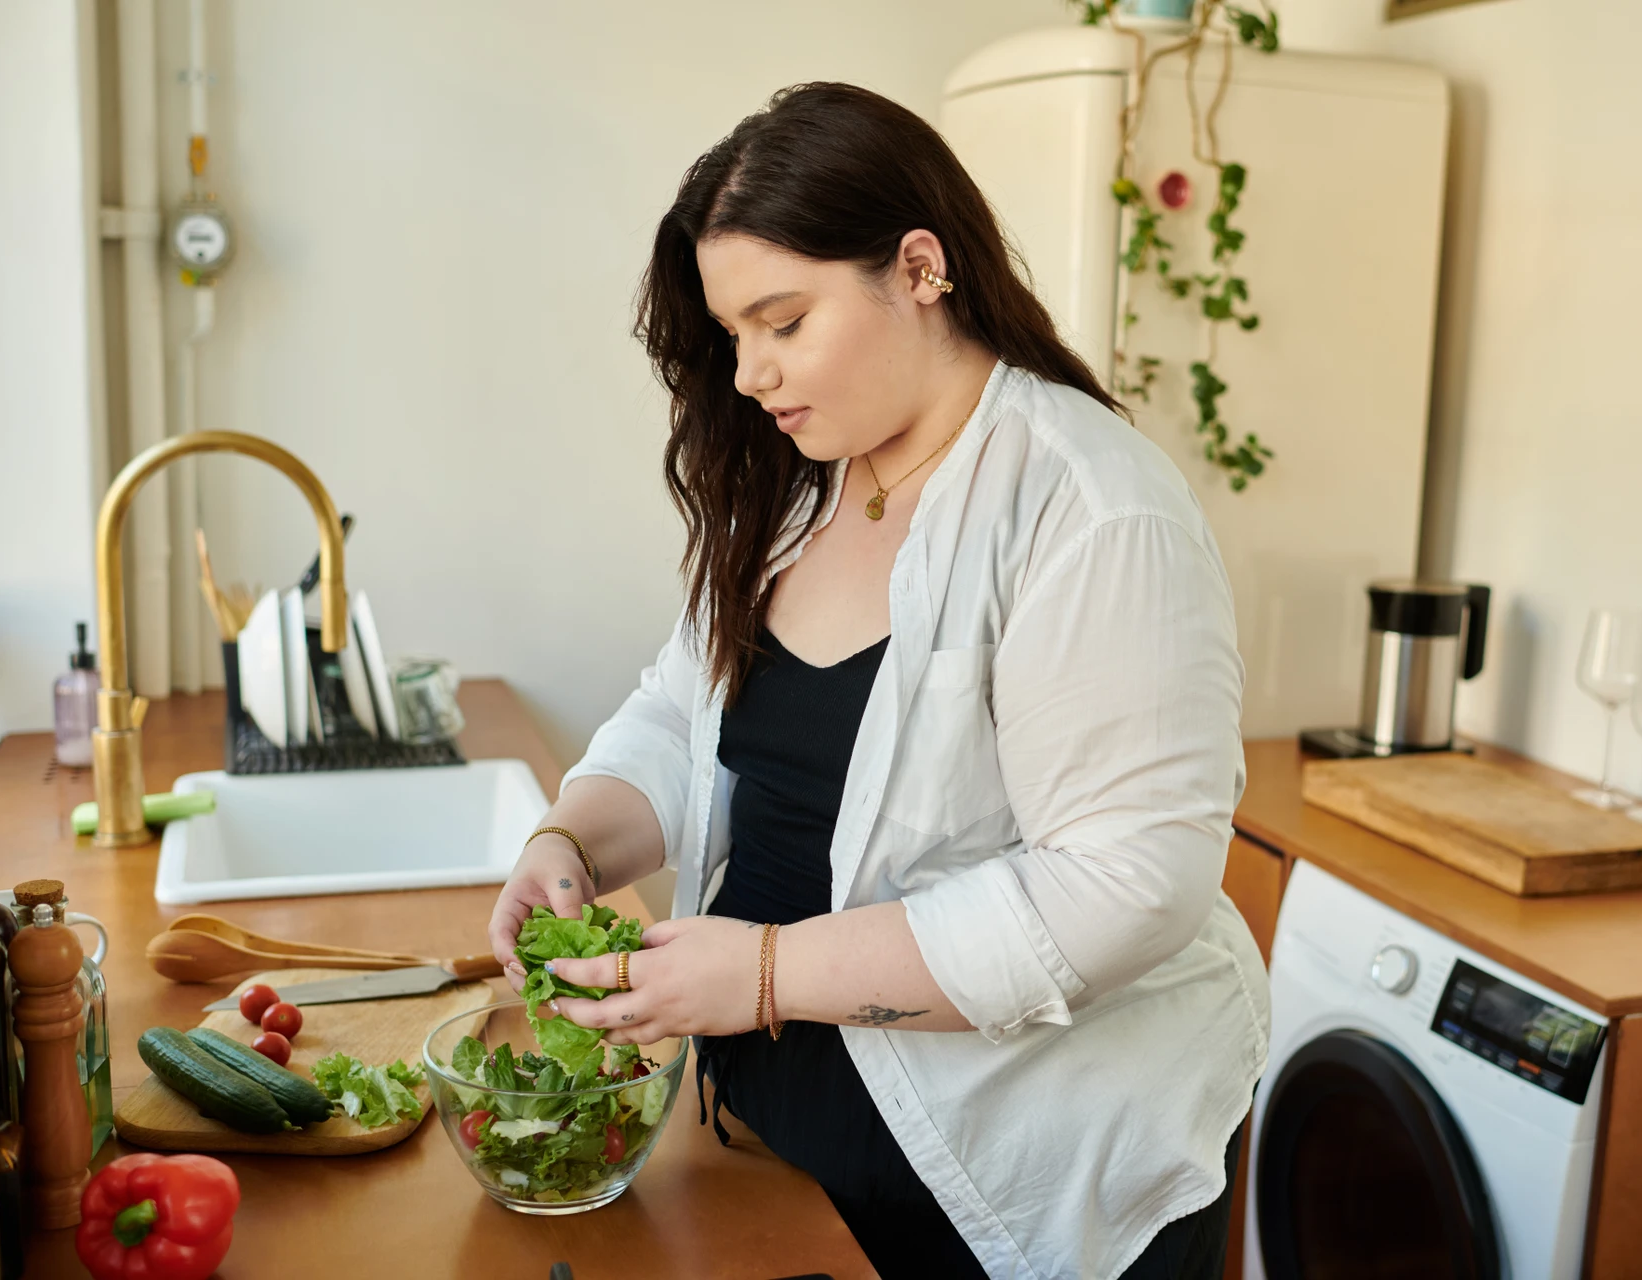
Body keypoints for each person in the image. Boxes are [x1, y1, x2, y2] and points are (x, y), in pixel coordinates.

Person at [487, 82, 1269, 1279]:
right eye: (734, 333)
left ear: (919, 268)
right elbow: (687, 710)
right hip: (787, 1145)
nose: (749, 372)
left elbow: (1126, 884)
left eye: (783, 321)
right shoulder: (812, 478)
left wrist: (764, 974)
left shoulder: (1091, 505)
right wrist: (576, 838)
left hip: (1008, 1176)